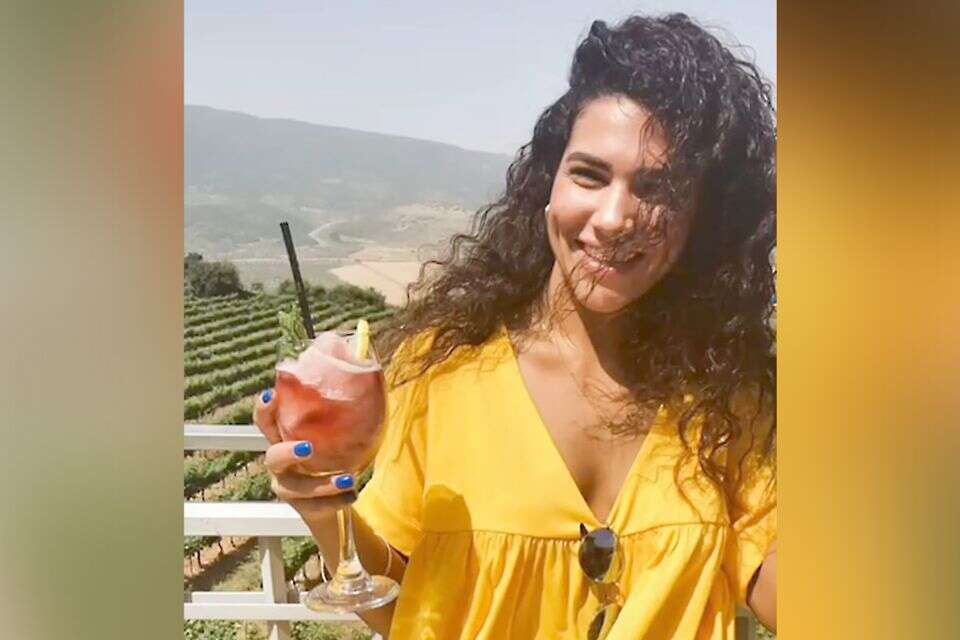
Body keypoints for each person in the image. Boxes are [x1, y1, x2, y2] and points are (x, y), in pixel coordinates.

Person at [254, 13, 776, 640]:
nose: (614, 217)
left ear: (704, 218)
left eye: (656, 188)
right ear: (548, 185)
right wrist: (322, 513)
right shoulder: (442, 368)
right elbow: (401, 604)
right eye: (589, 175)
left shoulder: (728, 398)